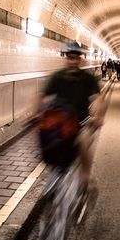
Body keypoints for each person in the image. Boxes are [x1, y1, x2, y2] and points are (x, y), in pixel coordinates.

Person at [36, 41, 104, 190]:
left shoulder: (88, 78)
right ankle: (56, 174)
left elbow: (97, 99)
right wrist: (35, 114)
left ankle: (85, 176)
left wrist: (96, 116)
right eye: (70, 58)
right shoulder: (57, 77)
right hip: (61, 121)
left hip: (82, 121)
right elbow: (41, 95)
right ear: (66, 58)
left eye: (76, 58)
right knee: (47, 140)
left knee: (84, 142)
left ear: (80, 59)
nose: (73, 61)